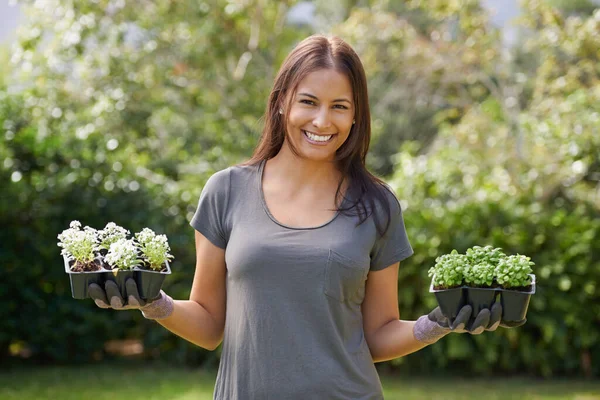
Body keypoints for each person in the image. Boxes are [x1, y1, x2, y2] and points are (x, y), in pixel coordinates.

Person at [88, 34, 523, 399]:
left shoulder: (377, 204)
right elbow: (208, 325)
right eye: (308, 102)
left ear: (356, 116)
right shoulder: (226, 191)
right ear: (281, 103)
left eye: (339, 106)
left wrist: (440, 322)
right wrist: (151, 301)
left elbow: (378, 335)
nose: (322, 120)